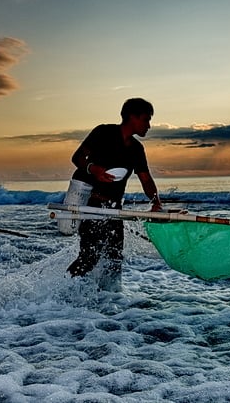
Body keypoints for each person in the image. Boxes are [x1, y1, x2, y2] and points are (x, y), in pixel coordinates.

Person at [66, 98, 163, 291]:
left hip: (113, 209)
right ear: (132, 117)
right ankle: (64, 291)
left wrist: (156, 202)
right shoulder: (103, 132)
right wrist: (93, 169)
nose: (149, 125)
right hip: (91, 206)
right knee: (89, 257)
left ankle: (108, 300)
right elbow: (77, 157)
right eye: (146, 119)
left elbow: (146, 179)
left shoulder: (136, 149)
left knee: (114, 258)